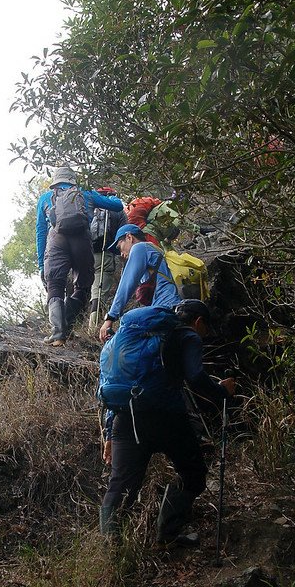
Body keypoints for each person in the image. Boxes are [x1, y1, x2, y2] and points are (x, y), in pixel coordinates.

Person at [99, 299, 236, 547]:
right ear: (199, 322)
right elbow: (195, 376)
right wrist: (221, 391)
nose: (204, 335)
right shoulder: (188, 335)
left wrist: (109, 432)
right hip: (167, 418)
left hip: (125, 418)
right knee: (193, 474)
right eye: (206, 329)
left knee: (119, 487)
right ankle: (168, 535)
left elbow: (116, 381)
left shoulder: (134, 334)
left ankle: (110, 552)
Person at [36, 166, 124, 346]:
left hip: (56, 241)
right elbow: (117, 205)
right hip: (82, 240)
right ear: (73, 180)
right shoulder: (85, 194)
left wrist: (40, 264)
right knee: (82, 285)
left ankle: (58, 333)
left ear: (55, 182)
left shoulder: (45, 198)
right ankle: (67, 326)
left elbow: (40, 232)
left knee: (55, 285)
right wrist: (109, 196)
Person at [98, 224, 182, 344]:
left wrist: (110, 318)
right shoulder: (154, 250)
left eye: (120, 247)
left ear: (129, 237)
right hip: (173, 307)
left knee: (128, 321)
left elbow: (126, 285)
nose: (121, 253)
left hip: (166, 307)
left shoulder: (140, 248)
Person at [88, 187, 127, 327]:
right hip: (105, 254)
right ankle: (93, 327)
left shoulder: (89, 204)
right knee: (100, 291)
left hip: (85, 252)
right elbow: (123, 234)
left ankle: (71, 324)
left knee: (83, 288)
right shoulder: (118, 211)